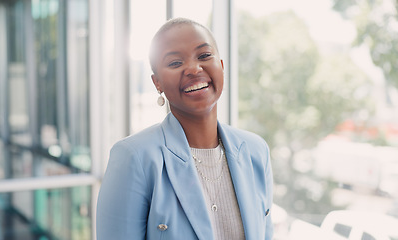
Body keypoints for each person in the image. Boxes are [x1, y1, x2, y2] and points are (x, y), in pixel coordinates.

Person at [96, 17, 273, 240]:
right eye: (175, 63)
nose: (193, 68)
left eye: (204, 55)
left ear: (221, 66)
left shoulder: (256, 151)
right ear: (157, 82)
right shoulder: (134, 157)